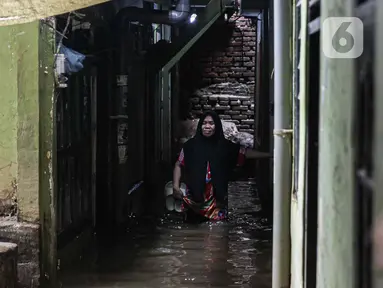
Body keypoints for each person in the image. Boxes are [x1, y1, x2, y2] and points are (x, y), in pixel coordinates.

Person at [172, 110, 271, 222]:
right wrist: (176, 186)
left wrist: (270, 155)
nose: (207, 126)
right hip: (194, 201)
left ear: (217, 126)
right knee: (193, 229)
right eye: (204, 123)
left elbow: (245, 153)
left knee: (217, 231)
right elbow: (179, 164)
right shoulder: (189, 146)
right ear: (200, 126)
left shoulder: (225, 147)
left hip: (217, 201)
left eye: (211, 123)